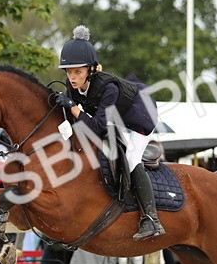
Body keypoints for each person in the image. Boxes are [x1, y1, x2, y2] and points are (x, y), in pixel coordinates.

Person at [53, 25, 164, 240]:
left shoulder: (107, 88)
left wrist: (73, 108)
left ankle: (151, 220)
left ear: (91, 70)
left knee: (131, 159)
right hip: (115, 119)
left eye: (78, 72)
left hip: (140, 117)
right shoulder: (71, 85)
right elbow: (81, 124)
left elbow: (97, 126)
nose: (72, 77)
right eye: (69, 72)